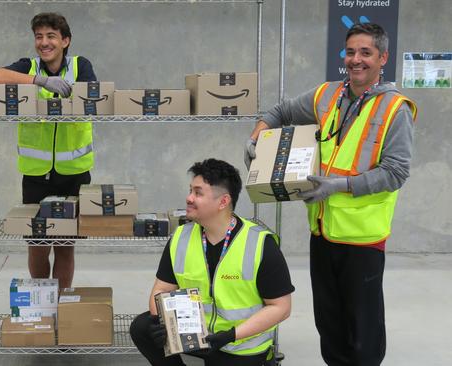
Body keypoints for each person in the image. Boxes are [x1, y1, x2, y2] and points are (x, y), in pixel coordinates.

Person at [245, 23, 417, 366]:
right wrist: (256, 137)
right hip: (322, 232)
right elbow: (281, 111)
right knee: (329, 323)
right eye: (351, 52)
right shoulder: (327, 96)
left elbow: (396, 172)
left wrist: (337, 186)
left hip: (362, 239)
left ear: (382, 58)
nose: (356, 60)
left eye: (366, 53)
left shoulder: (395, 109)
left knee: (362, 330)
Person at [130, 159, 294, 366]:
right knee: (142, 327)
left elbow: (281, 307)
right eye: (190, 190)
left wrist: (230, 335)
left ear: (223, 202)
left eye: (198, 193)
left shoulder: (260, 244)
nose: (189, 198)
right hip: (196, 337)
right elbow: (161, 289)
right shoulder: (181, 237)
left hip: (239, 346)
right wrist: (161, 322)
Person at [0, 12, 97, 288]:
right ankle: (41, 301)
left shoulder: (79, 66)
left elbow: (90, 95)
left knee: (64, 244)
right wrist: (39, 81)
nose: (44, 42)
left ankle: (59, 304)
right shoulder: (28, 66)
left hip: (73, 173)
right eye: (39, 36)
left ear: (65, 41)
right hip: (36, 176)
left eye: (51, 36)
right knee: (37, 244)